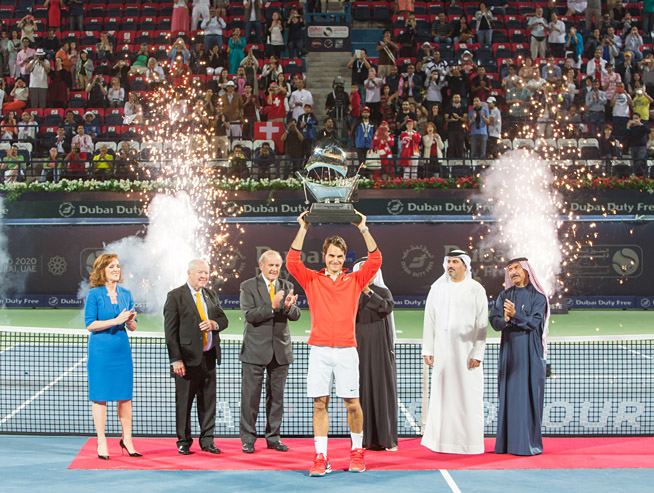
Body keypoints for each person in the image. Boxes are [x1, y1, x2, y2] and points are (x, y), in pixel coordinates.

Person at [286, 210, 381, 476]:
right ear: (325, 256)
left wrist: (363, 227)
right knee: (320, 403)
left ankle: (357, 453)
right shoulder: (312, 279)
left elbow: (376, 259)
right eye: (331, 256)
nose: (336, 260)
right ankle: (320, 457)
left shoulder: (356, 279)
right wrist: (303, 227)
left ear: (344, 258)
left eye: (340, 256)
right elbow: (293, 262)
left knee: (352, 403)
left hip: (347, 350)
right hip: (319, 350)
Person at [422, 250, 487, 454]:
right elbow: (429, 320)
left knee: (468, 397)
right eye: (448, 261)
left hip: (467, 355)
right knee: (443, 397)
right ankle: (441, 443)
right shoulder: (437, 288)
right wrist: (428, 349)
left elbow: (482, 322)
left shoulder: (476, 289)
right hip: (442, 354)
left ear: (465, 266)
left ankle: (470, 444)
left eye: (455, 262)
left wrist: (478, 352)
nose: (450, 265)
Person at [164, 258, 229, 455]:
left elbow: (223, 320)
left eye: (206, 272)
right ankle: (184, 441)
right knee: (184, 403)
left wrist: (214, 324)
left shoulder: (210, 295)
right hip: (186, 362)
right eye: (200, 272)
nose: (204, 276)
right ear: (189, 273)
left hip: (209, 359)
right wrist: (176, 360)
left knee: (208, 402)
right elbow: (170, 332)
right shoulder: (175, 296)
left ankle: (207, 441)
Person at [239, 250, 301, 454]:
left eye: (277, 266)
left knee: (277, 398)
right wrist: (272, 306)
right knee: (251, 398)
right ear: (261, 265)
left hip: (280, 352)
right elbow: (250, 315)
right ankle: (248, 439)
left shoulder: (287, 285)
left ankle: (273, 438)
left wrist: (290, 308)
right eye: (271, 265)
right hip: (255, 352)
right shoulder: (248, 286)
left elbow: (296, 315)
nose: (274, 269)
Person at [489, 257, 549, 456]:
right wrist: (505, 319)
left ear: (526, 271)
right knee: (510, 397)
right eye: (510, 269)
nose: (513, 272)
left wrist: (515, 315)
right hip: (510, 353)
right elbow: (495, 322)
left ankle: (528, 444)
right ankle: (507, 445)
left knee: (529, 397)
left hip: (531, 353)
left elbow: (534, 323)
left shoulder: (539, 297)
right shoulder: (504, 295)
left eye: (517, 268)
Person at [84, 253, 141, 460]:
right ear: (102, 271)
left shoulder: (126, 294)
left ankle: (127, 440)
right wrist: (116, 319)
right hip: (100, 351)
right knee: (100, 398)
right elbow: (90, 324)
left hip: (121, 350)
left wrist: (131, 320)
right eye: (111, 267)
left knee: (125, 397)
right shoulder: (94, 295)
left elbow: (132, 327)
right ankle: (101, 440)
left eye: (118, 266)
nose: (116, 270)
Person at [352, 260, 397, 451]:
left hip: (380, 350)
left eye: (371, 271)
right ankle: (363, 439)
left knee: (381, 391)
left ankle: (386, 439)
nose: (367, 274)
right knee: (360, 392)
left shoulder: (383, 292)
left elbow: (386, 307)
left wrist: (368, 291)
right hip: (358, 349)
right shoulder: (351, 293)